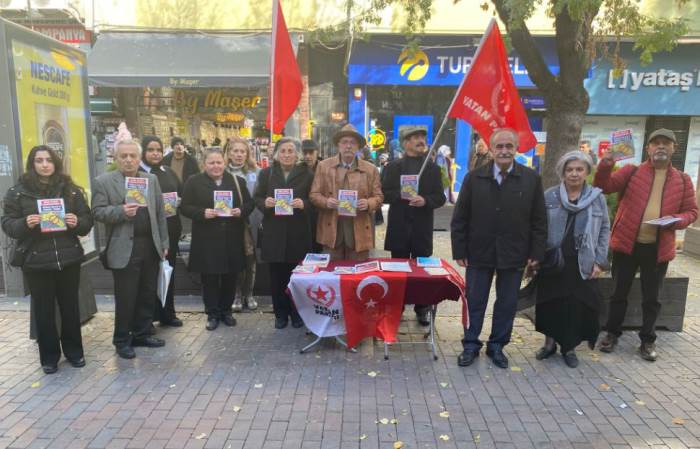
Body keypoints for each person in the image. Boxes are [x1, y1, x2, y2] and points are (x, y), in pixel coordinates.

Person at [594, 128, 698, 361]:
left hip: (658, 249)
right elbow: (604, 187)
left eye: (666, 143)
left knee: (652, 298)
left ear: (674, 148)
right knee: (619, 293)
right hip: (627, 245)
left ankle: (648, 340)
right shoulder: (632, 172)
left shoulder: (682, 180)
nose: (660, 146)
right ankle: (611, 334)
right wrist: (606, 164)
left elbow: (691, 212)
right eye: (656, 143)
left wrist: (677, 220)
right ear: (648, 148)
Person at [451, 128, 547, 369]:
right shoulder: (474, 178)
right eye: (499, 146)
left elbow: (539, 221)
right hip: (479, 251)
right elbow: (460, 217)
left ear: (516, 149)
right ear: (492, 149)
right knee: (475, 300)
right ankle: (471, 344)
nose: (504, 151)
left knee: (506, 302)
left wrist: (536, 254)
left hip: (514, 252)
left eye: (509, 146)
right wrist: (459, 251)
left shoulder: (531, 179)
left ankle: (497, 346)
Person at [1, 146, 92, 374]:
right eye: (39, 160)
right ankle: (49, 357)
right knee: (43, 311)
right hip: (36, 260)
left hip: (67, 258)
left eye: (49, 160)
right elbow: (7, 223)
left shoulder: (70, 190)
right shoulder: (17, 192)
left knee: (70, 308)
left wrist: (76, 221)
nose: (44, 165)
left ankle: (74, 352)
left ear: (55, 163)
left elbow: (87, 219)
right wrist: (25, 223)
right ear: (32, 164)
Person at [93, 139, 170, 359]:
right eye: (123, 156)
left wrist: (164, 243)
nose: (128, 160)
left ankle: (142, 333)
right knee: (126, 297)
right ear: (116, 158)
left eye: (132, 156)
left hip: (150, 245)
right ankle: (121, 339)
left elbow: (159, 214)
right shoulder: (104, 181)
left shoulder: (151, 179)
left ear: (139, 158)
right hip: (124, 247)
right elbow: (97, 211)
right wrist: (120, 211)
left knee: (147, 293)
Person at [534, 151, 610, 368]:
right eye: (569, 169)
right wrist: (537, 256)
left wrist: (600, 261)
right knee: (550, 302)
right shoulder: (550, 196)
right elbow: (538, 227)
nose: (574, 174)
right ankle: (549, 344)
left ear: (587, 172)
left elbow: (605, 229)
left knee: (575, 305)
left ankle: (569, 347)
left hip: (582, 261)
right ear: (562, 172)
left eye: (579, 169)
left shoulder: (597, 198)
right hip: (553, 260)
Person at [180, 148, 254, 331]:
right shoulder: (194, 182)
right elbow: (185, 207)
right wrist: (202, 213)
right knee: (210, 278)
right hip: (207, 238)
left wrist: (241, 211)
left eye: (219, 162)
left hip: (232, 237)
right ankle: (212, 314)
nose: (216, 166)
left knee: (230, 277)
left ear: (224, 162)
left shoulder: (237, 181)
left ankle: (226, 311)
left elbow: (250, 204)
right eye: (211, 163)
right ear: (204, 164)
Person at [382, 126, 446, 326]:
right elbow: (384, 193)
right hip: (399, 227)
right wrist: (402, 195)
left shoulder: (434, 169)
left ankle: (422, 308)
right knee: (398, 272)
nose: (421, 140)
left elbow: (441, 197)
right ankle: (397, 307)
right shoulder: (393, 167)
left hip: (421, 229)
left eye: (423, 137)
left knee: (421, 273)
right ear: (405, 143)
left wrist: (425, 200)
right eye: (416, 138)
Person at [254, 138, 313, 329]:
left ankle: (297, 314)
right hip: (274, 231)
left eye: (290, 151)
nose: (287, 155)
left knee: (297, 276)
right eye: (283, 151)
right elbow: (257, 197)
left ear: (297, 155)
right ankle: (280, 314)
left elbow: (315, 198)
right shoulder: (266, 173)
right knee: (276, 276)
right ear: (276, 154)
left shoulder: (308, 174)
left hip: (298, 232)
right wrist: (266, 204)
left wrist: (304, 204)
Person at [310, 124, 384, 261]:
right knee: (331, 277)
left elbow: (379, 197)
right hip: (331, 233)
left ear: (358, 147)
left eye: (353, 143)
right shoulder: (323, 166)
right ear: (338, 145)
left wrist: (368, 203)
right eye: (344, 142)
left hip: (359, 233)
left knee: (357, 276)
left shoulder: (370, 169)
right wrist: (326, 202)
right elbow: (314, 195)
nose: (348, 146)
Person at [140, 136, 183, 327]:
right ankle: (148, 317)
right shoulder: (138, 175)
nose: (155, 153)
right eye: (150, 150)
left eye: (158, 149)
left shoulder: (168, 172)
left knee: (168, 273)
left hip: (170, 230)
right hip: (149, 233)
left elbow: (181, 192)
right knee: (148, 277)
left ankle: (168, 313)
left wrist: (179, 201)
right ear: (143, 152)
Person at [224, 137, 262, 312]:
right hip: (230, 221)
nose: (239, 155)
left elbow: (259, 197)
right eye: (235, 151)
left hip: (251, 221)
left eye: (242, 151)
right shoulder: (222, 171)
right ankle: (236, 294)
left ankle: (249, 293)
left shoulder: (257, 172)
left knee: (250, 258)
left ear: (248, 154)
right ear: (229, 153)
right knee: (233, 258)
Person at [302, 139, 323, 252]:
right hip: (302, 214)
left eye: (311, 153)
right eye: (305, 153)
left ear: (317, 153)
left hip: (320, 214)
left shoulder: (324, 168)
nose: (308, 156)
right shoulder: (297, 169)